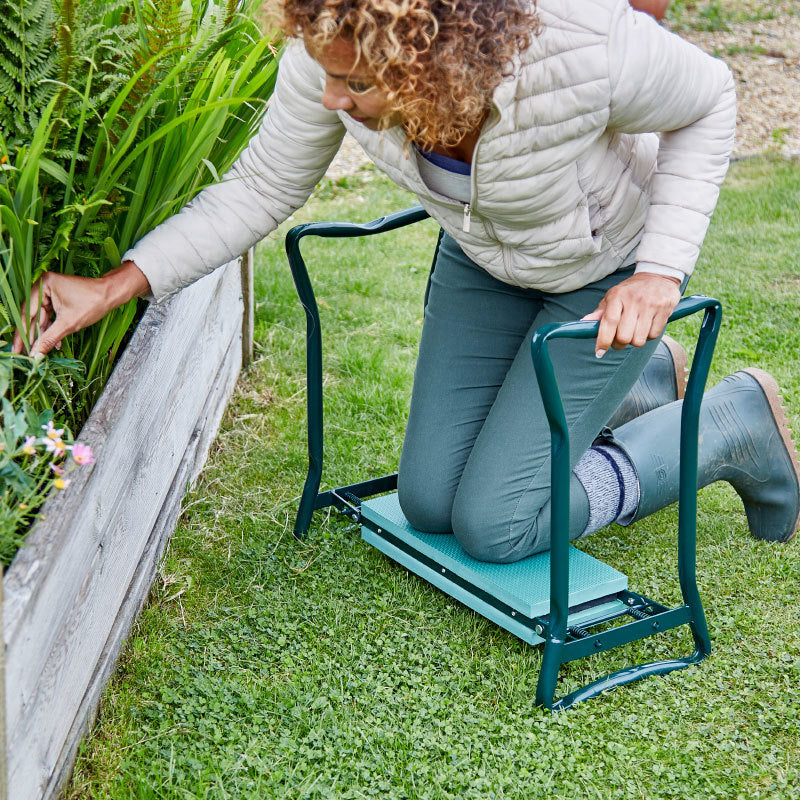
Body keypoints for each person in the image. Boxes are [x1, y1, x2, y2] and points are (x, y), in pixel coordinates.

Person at [13, 0, 799, 559]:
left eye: (354, 86)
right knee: (429, 503)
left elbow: (709, 99)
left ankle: (729, 423)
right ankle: (642, 376)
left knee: (498, 524)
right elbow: (258, 190)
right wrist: (115, 285)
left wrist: (660, 273)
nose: (332, 99)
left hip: (600, 274)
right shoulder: (332, 44)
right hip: (486, 262)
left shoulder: (576, 43)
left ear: (432, 64)